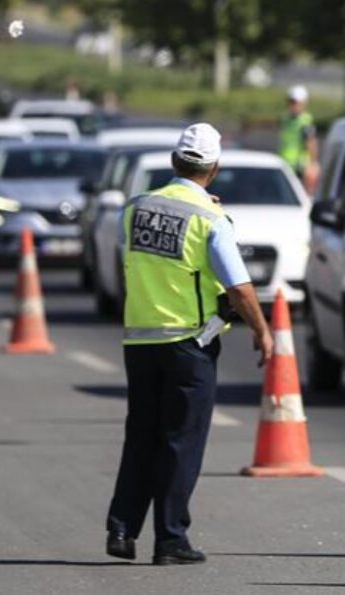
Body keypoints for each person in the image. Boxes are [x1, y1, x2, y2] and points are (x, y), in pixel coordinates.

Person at [105, 123, 273, 565]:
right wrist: (263, 330)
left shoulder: (135, 209)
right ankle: (170, 539)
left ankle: (121, 530)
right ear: (213, 169)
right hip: (188, 343)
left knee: (141, 436)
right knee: (181, 441)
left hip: (139, 340)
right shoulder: (210, 220)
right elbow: (238, 288)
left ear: (175, 162)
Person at [279, 84, 319, 193]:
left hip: (299, 167)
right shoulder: (286, 119)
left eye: (295, 102)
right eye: (290, 102)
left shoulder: (305, 121)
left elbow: (311, 143)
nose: (292, 105)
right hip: (285, 163)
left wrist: (313, 164)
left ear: (303, 104)